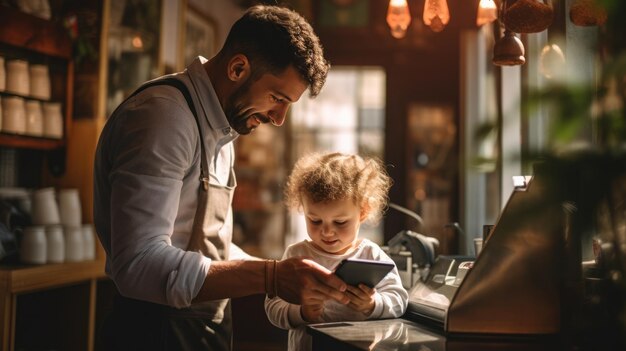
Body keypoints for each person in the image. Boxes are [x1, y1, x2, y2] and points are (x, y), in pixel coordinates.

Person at [93, 5, 350, 351]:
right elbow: (138, 263)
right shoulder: (164, 118)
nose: (279, 118)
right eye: (277, 98)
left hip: (200, 328)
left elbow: (209, 246)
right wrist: (271, 276)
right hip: (153, 333)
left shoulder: (222, 127)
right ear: (238, 68)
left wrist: (297, 270)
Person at [264, 152, 409, 351]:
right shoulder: (296, 256)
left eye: (340, 222)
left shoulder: (371, 255)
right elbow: (272, 307)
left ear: (363, 212)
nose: (327, 231)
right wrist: (302, 312)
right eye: (314, 220)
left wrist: (372, 304)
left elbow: (399, 300)